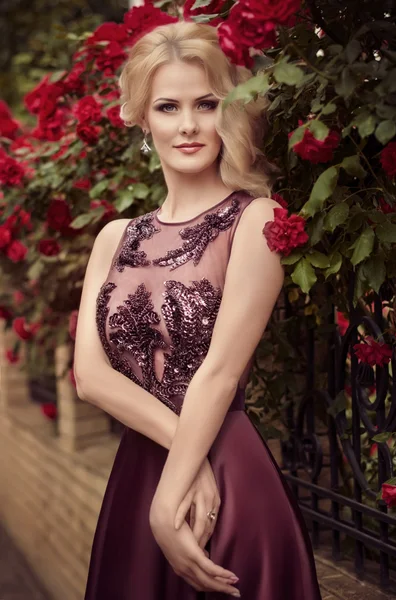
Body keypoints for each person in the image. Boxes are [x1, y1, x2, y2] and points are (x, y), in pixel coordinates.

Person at [74, 19, 322, 600]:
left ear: (227, 112)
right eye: (167, 107)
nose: (187, 125)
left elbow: (219, 372)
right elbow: (88, 377)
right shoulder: (113, 237)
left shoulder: (253, 220)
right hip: (146, 477)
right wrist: (176, 476)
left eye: (206, 104)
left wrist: (174, 494)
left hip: (230, 483)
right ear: (140, 118)